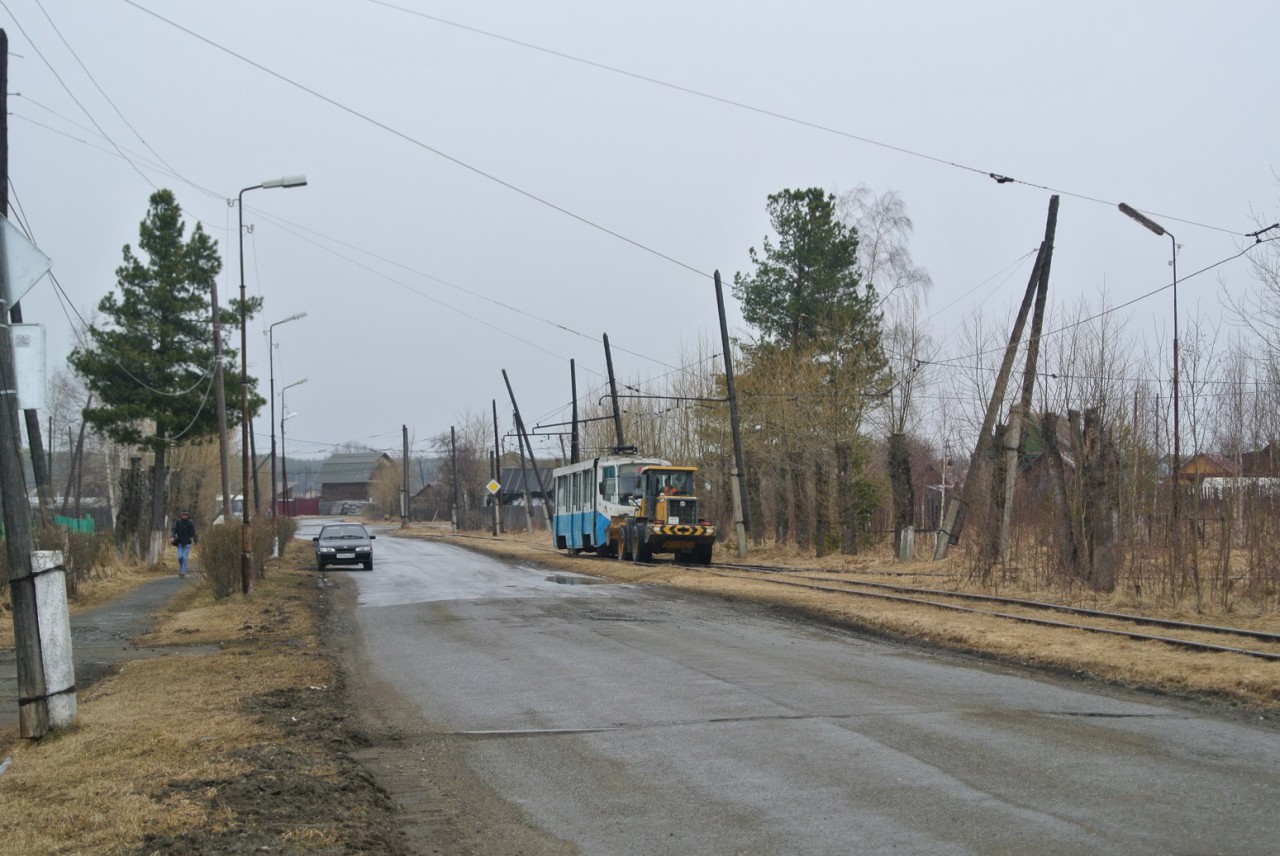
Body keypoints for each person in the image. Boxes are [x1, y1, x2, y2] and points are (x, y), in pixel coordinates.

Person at [170, 511, 197, 578]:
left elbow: (193, 533)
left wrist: (196, 541)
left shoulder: (190, 523)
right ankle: (182, 567)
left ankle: (182, 572)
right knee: (179, 557)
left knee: (184, 558)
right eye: (183, 515)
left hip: (187, 543)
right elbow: (173, 529)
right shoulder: (178, 522)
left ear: (188, 516)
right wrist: (172, 537)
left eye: (186, 515)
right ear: (181, 516)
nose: (184, 516)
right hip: (179, 543)